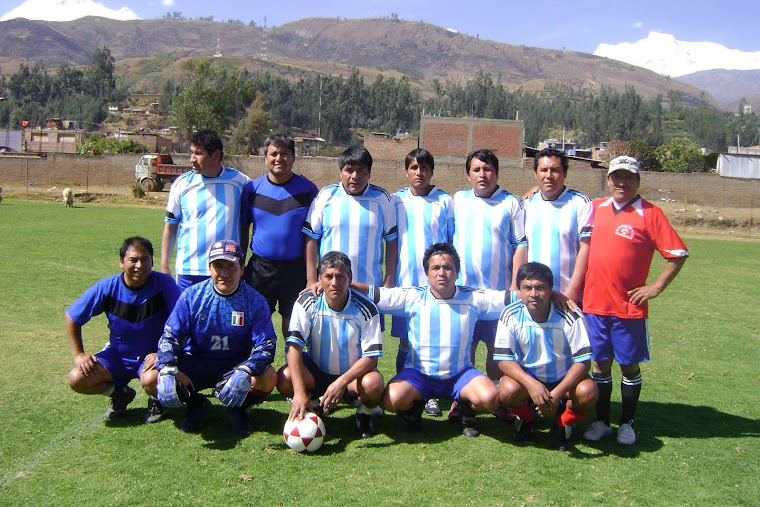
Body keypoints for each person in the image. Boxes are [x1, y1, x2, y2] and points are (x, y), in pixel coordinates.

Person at [582, 156, 689, 446]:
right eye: (616, 177)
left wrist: (655, 287)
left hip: (628, 308)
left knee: (629, 366)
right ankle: (602, 422)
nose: (621, 182)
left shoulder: (650, 213)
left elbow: (677, 254)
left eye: (628, 177)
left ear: (638, 181)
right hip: (593, 305)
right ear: (608, 180)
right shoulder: (594, 208)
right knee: (600, 365)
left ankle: (627, 424)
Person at [355, 243, 511, 438]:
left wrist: (549, 293)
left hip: (460, 374)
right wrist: (335, 284)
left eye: (447, 268)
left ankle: (466, 410)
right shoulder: (412, 297)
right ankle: (413, 409)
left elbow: (508, 298)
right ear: (427, 274)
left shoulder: (472, 298)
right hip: (420, 374)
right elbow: (373, 293)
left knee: (491, 399)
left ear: (457, 272)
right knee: (391, 400)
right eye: (435, 268)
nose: (442, 273)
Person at [149, 240, 277, 436]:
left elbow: (266, 344)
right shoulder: (191, 296)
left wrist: (246, 369)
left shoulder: (255, 300)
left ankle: (239, 408)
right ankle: (195, 404)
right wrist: (167, 368)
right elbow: (170, 335)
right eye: (218, 266)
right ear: (209, 268)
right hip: (196, 363)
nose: (224, 273)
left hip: (235, 366)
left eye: (231, 267)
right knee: (151, 379)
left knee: (268, 377)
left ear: (242, 268)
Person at [66, 237, 180, 423]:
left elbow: (182, 320)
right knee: (77, 379)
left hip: (150, 358)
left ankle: (155, 400)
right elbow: (72, 317)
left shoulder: (164, 284)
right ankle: (121, 394)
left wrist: (163, 353)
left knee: (152, 380)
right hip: (117, 357)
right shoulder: (107, 287)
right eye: (133, 260)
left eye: (145, 259)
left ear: (152, 261)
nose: (139, 265)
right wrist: (78, 354)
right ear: (121, 262)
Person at [277, 251, 384, 439]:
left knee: (373, 383)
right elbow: (293, 348)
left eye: (340, 276)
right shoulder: (306, 302)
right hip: (316, 372)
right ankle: (312, 403)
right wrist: (299, 392)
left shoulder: (367, 308)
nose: (334, 283)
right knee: (286, 377)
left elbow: (371, 357)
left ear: (349, 278)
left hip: (350, 377)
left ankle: (364, 414)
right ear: (319, 278)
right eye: (328, 276)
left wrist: (341, 382)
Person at [495, 262, 597, 451]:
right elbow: (503, 359)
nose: (533, 294)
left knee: (588, 392)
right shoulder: (510, 314)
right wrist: (532, 385)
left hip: (563, 380)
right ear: (520, 290)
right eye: (527, 288)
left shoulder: (570, 315)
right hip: (530, 380)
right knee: (507, 390)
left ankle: (563, 423)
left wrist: (557, 393)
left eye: (540, 287)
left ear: (550, 290)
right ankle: (527, 419)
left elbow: (583, 362)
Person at [452, 149, 526, 408]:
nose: (482, 175)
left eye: (488, 169)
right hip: (465, 296)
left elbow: (520, 246)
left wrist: (515, 285)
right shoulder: (458, 200)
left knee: (499, 354)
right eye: (476, 170)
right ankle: (463, 405)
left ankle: (496, 403)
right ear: (468, 174)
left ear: (496, 172)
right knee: (464, 353)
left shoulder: (511, 203)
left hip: (499, 297)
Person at [392, 148, 455, 417]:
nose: (419, 173)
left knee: (434, 341)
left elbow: (452, 241)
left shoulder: (445, 201)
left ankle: (432, 396)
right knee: (407, 342)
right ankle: (404, 387)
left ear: (432, 171)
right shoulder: (395, 201)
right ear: (407, 171)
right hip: (406, 285)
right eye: (414, 168)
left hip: (437, 287)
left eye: (424, 168)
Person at [241, 134, 318, 338]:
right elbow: (242, 228)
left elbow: (316, 234)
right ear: (265, 158)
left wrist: (312, 275)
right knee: (256, 322)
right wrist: (240, 261)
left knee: (292, 325)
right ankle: (259, 367)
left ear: (293, 157)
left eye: (285, 153)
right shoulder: (251, 189)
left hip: (295, 269)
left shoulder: (309, 190)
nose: (279, 158)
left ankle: (292, 367)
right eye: (273, 153)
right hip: (260, 268)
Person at [161, 130, 250, 291]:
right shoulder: (182, 184)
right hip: (189, 270)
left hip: (227, 269)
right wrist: (164, 265)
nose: (192, 159)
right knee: (187, 316)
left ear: (216, 155)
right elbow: (170, 227)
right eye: (192, 153)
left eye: (198, 153)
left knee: (223, 316)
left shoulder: (240, 182)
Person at [303, 146, 398, 291]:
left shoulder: (382, 198)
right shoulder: (326, 195)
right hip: (330, 286)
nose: (355, 176)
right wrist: (311, 280)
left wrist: (389, 282)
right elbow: (311, 238)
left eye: (361, 170)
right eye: (349, 170)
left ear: (369, 173)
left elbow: (392, 241)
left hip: (370, 288)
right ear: (341, 172)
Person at [523, 148, 592, 302]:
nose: (549, 176)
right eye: (543, 170)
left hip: (568, 296)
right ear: (535, 174)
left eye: (555, 170)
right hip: (533, 296)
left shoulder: (580, 202)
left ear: (565, 173)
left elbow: (586, 249)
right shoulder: (526, 205)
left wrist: (572, 290)